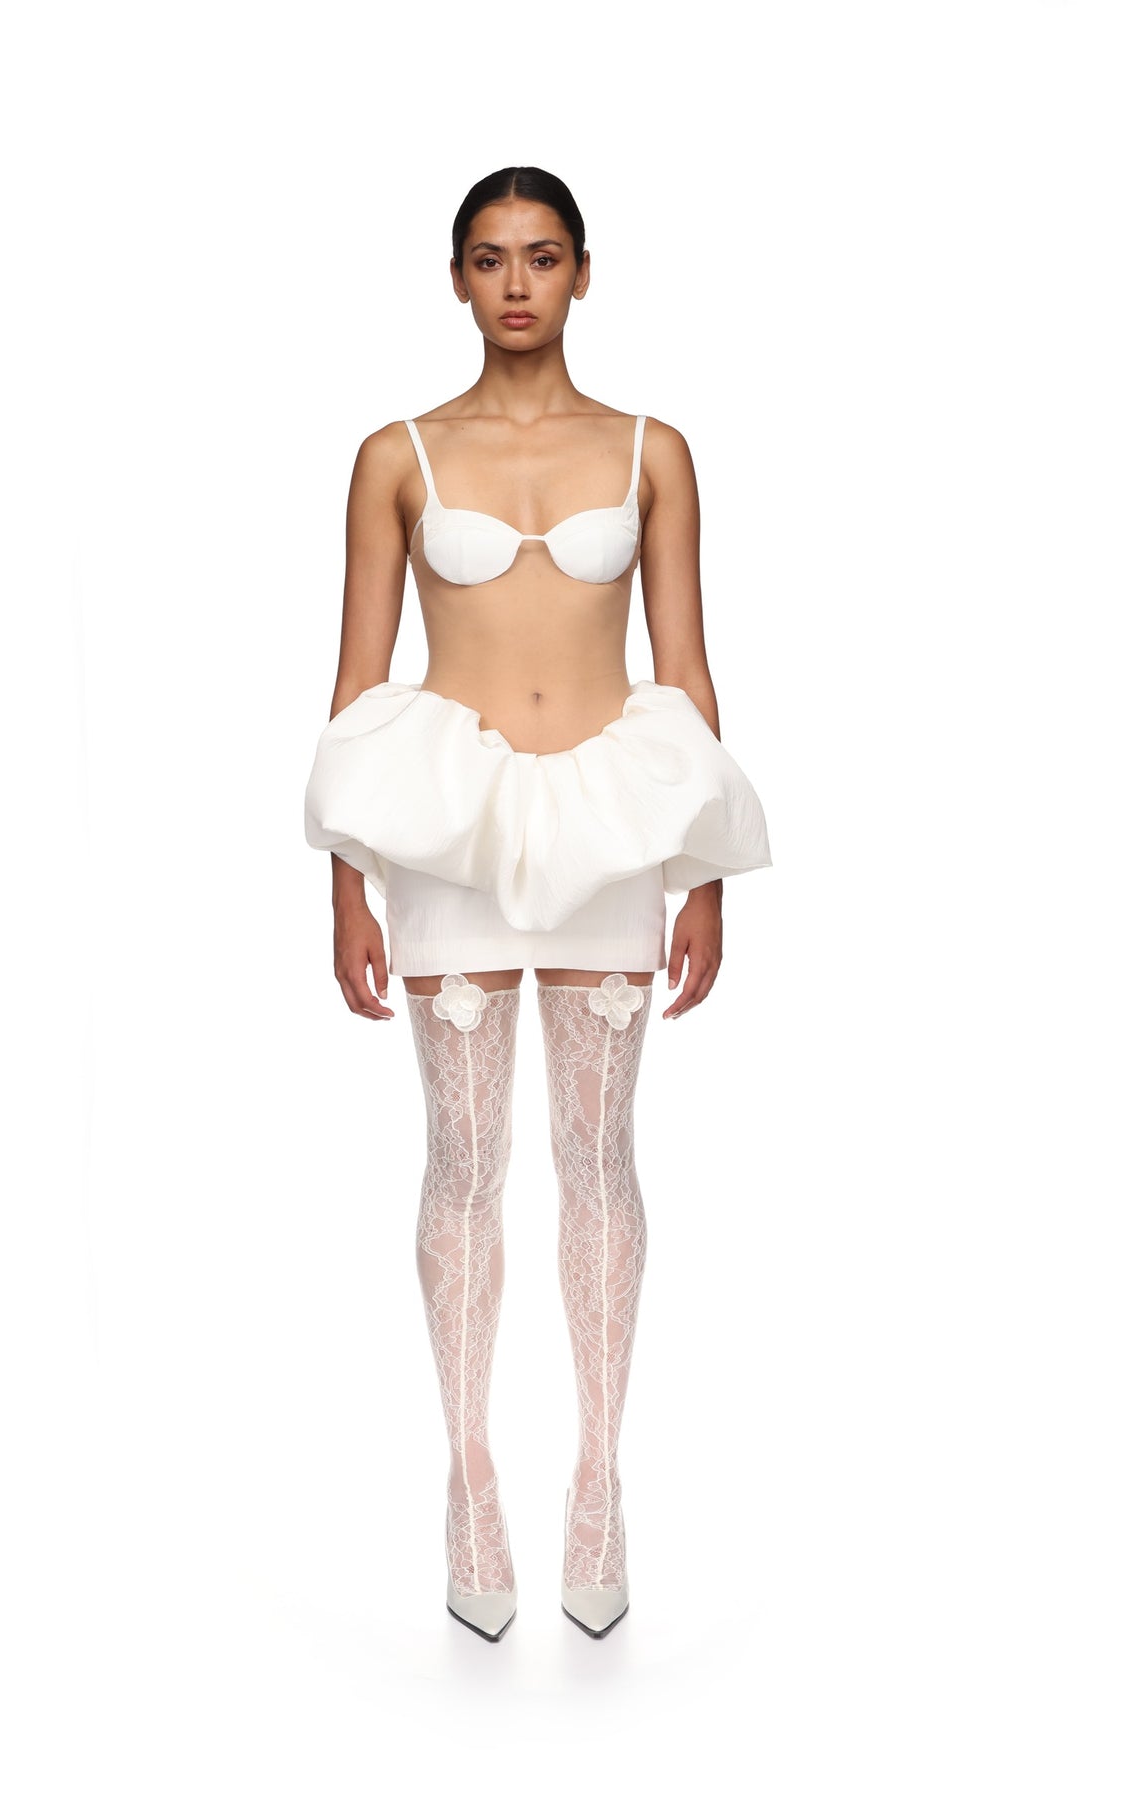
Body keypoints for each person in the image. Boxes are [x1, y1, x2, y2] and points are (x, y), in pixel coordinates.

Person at [303, 166, 771, 1642]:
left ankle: (600, 1488)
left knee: (597, 1160)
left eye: (544, 256)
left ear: (582, 272)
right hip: (447, 828)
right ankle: (468, 1485)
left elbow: (684, 666)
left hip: (608, 825)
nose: (518, 284)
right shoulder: (396, 455)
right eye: (492, 258)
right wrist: (344, 880)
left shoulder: (649, 450)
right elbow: (358, 678)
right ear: (456, 277)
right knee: (461, 1163)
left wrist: (702, 872)